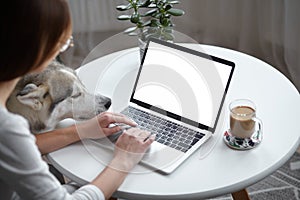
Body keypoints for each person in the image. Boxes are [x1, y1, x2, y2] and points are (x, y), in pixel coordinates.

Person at [0, 0, 155, 199]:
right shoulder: (6, 127)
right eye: (63, 43)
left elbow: (11, 150)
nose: (61, 51)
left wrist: (79, 131)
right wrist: (123, 159)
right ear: (35, 48)